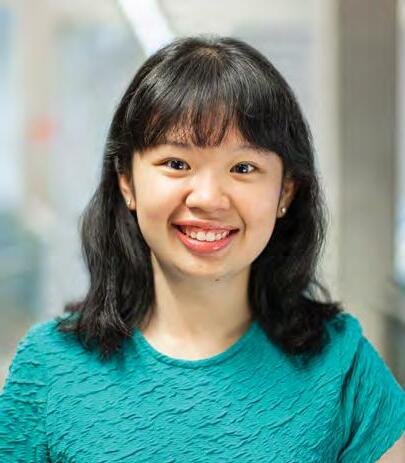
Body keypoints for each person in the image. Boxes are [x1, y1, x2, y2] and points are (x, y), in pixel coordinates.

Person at [0, 35, 404, 463]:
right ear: (127, 181)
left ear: (285, 191)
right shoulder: (49, 368)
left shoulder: (341, 366)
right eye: (177, 164)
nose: (209, 198)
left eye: (243, 167)